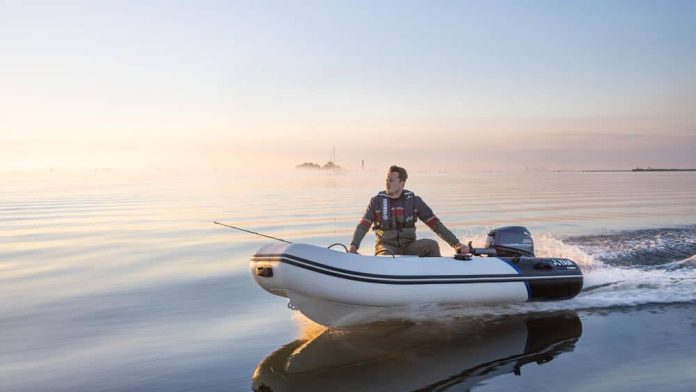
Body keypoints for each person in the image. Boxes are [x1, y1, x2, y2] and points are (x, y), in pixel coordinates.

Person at [349, 165, 468, 257]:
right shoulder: (376, 202)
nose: (387, 183)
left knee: (431, 245)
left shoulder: (414, 201)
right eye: (386, 180)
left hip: (409, 247)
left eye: (391, 180)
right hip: (386, 246)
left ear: (402, 183)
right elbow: (363, 226)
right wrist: (354, 245)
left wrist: (456, 244)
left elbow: (436, 225)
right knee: (386, 257)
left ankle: (432, 280)